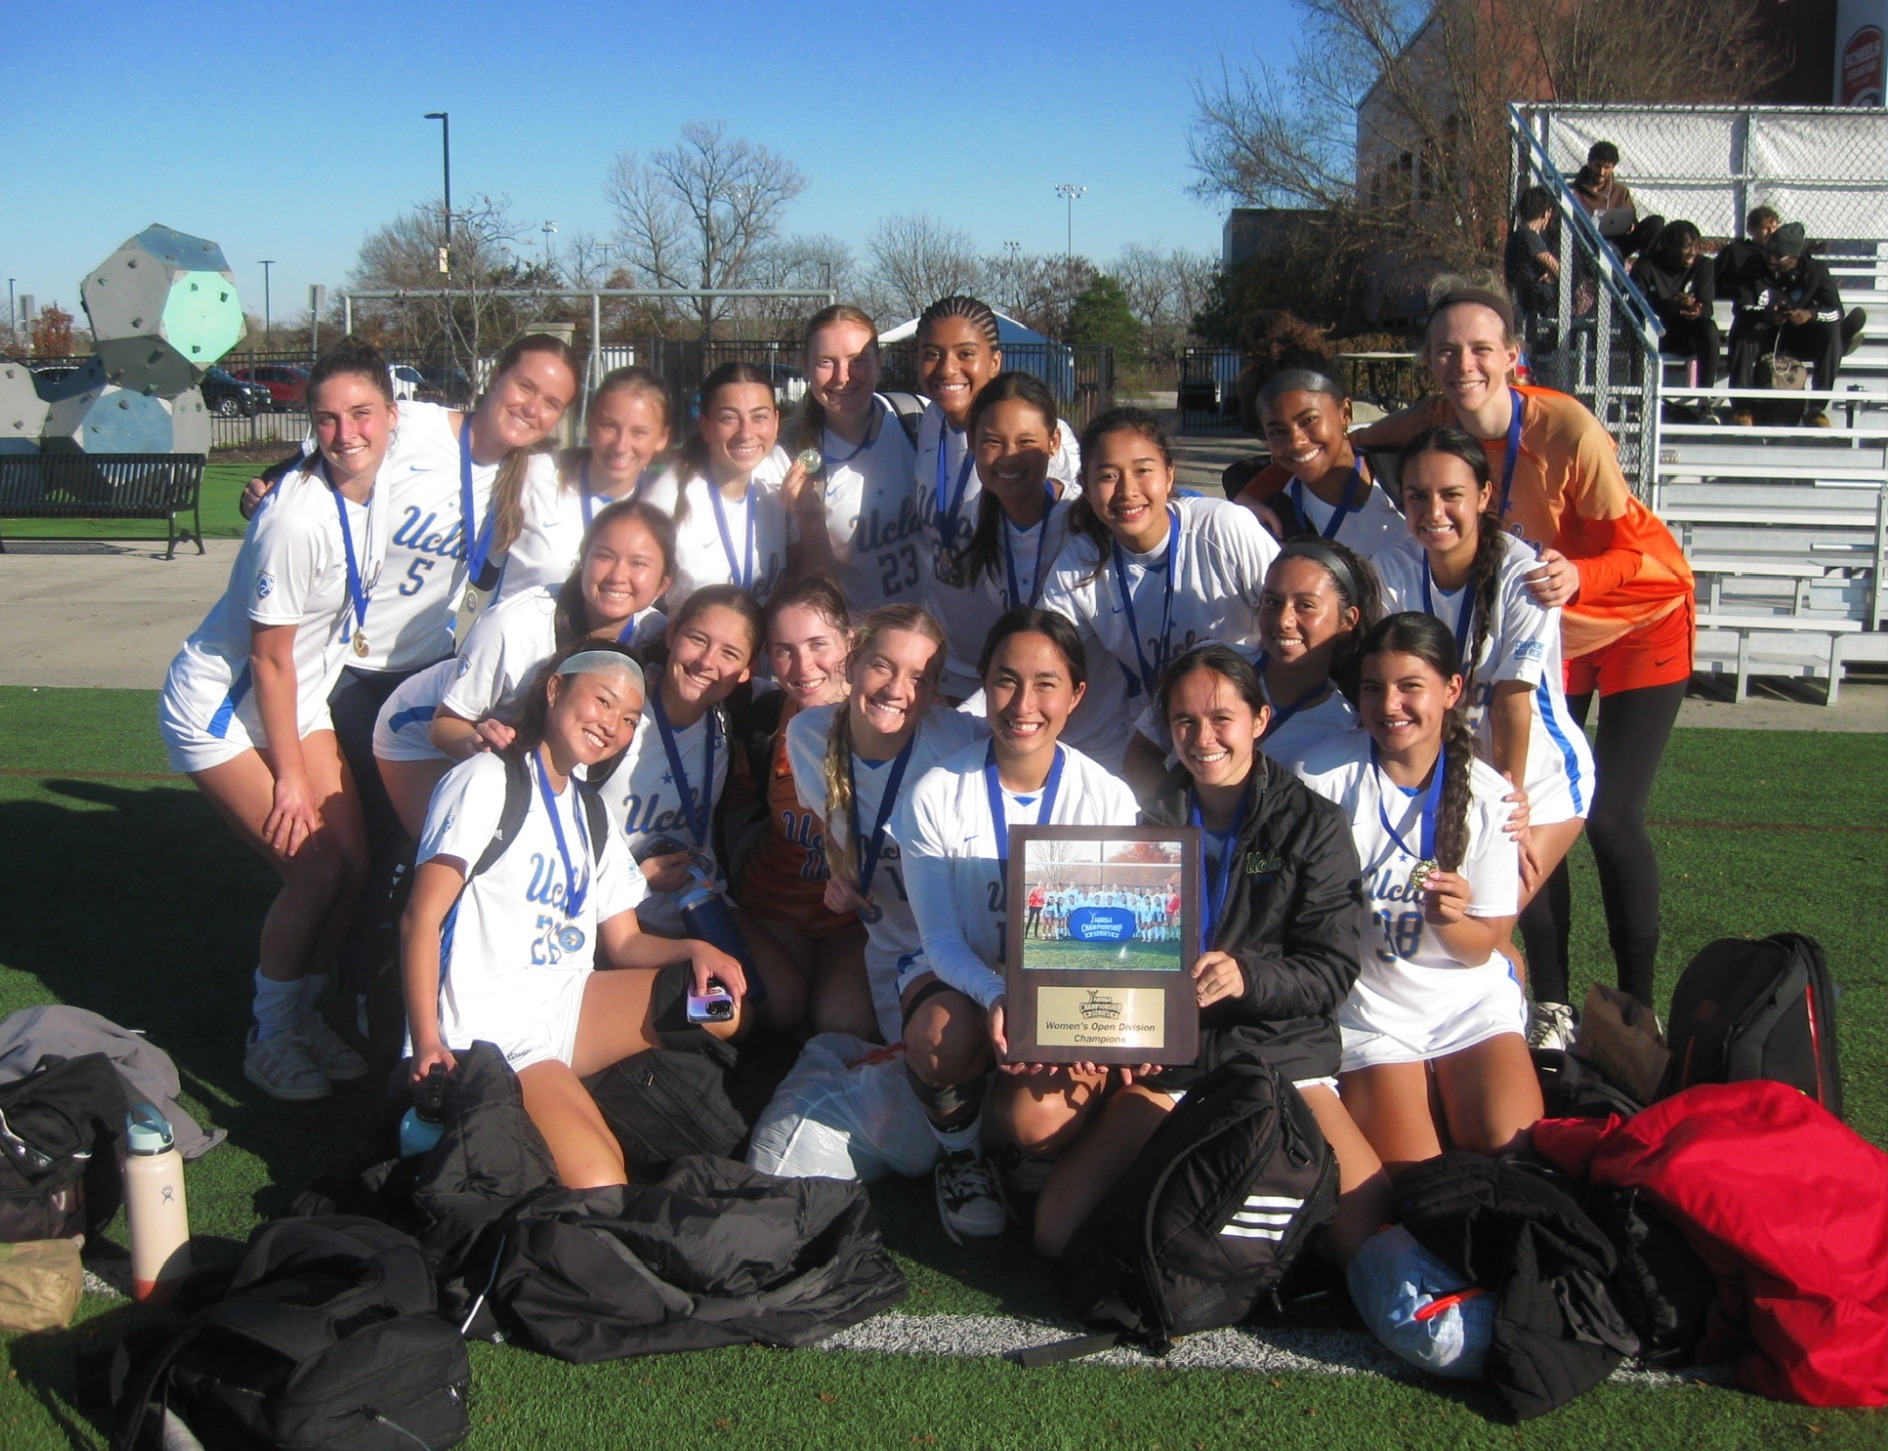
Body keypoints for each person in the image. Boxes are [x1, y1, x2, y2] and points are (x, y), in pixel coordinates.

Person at [1353, 284, 1694, 1031]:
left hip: (1629, 611)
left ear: (1515, 356)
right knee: (1520, 839)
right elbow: (1359, 440)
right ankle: (1555, 1004)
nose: (1461, 363)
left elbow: (1646, 551)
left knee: (1604, 817)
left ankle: (1639, 1004)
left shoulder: (1568, 427)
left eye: (1481, 349)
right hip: (1544, 626)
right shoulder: (1439, 425)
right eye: (1445, 350)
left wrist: (1582, 575)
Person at [1014, 644, 1388, 1264]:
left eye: (1221, 719)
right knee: (1057, 1230)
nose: (1202, 737)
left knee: (1364, 1235)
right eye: (1184, 721)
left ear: (1259, 721)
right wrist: (1110, 1034)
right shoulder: (1143, 825)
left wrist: (1247, 977)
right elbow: (1109, 954)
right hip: (1176, 1060)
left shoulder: (1311, 824)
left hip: (1279, 1054)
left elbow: (1332, 971)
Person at [400, 642, 746, 1188]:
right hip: (494, 1032)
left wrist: (695, 949)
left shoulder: (590, 809)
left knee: (720, 1006)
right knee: (601, 1182)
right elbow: (420, 919)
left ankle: (575, 1099)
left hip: (565, 1004)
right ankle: (545, 1108)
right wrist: (426, 1041)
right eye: (603, 702)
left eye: (630, 718)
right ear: (555, 688)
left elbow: (625, 943)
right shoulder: (487, 780)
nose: (612, 725)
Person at [157, 341, 397, 1101]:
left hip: (298, 696)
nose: (346, 432)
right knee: (317, 867)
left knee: (355, 865)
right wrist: (291, 780)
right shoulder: (294, 519)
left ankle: (303, 1013)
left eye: (361, 413)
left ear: (393, 415)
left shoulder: (377, 473)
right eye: (325, 419)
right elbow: (266, 661)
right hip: (225, 709)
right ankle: (270, 1033)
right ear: (311, 425)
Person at [892, 609, 1137, 1240]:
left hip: (1065, 987)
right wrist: (1003, 996)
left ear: (1077, 695)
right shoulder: (935, 793)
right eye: (1005, 680)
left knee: (1038, 1124)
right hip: (969, 982)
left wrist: (1086, 1025)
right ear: (984, 682)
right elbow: (940, 943)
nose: (1023, 703)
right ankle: (962, 1154)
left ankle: (1021, 1146)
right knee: (939, 1037)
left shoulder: (1108, 799)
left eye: (1046, 683)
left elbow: (1117, 943)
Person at [1296, 613, 1542, 1174]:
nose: (1389, 706)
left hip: (1466, 1003)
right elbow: (1262, 862)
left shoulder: (1491, 797)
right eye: (1373, 688)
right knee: (1420, 1177)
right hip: (1370, 1012)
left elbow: (1486, 946)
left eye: (1411, 687)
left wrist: (1450, 920)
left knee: (1512, 1152)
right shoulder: (1321, 777)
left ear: (1452, 690)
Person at [1374, 428, 1592, 912]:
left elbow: (1513, 703)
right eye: (1417, 496)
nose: (1433, 512)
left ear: (1484, 495)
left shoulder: (1525, 574)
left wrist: (1506, 805)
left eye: (1452, 495)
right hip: (1454, 774)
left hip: (1533, 779)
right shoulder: (1391, 568)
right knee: (1436, 923)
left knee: (1483, 928)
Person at [372, 500, 675, 836]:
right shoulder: (513, 625)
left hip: (519, 750)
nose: (618, 575)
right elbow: (445, 725)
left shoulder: (652, 634)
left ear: (663, 583)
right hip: (423, 730)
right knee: (462, 856)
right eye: (604, 555)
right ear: (582, 559)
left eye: (639, 563)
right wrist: (478, 743)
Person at [785, 601, 989, 1054]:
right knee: (844, 1030)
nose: (897, 689)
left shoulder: (958, 741)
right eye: (883, 666)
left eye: (918, 678)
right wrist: (840, 876)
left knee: (936, 1053)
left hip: (957, 949)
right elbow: (836, 824)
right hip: (884, 946)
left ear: (935, 689)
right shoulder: (806, 736)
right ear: (853, 660)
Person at [601, 585, 801, 1028]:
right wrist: (634, 876)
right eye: (698, 639)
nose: (708, 662)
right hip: (624, 914)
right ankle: (648, 1046)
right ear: (671, 635)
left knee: (787, 1003)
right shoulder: (617, 718)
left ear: (747, 670)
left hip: (703, 898)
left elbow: (810, 689)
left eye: (730, 653)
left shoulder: (734, 714)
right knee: (729, 1016)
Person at [1039, 407, 1280, 770]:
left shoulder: (1222, 527)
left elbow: (1292, 614)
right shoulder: (1083, 561)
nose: (1127, 491)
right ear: (1085, 488)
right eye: (1107, 475)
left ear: (1169, 475)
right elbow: (1039, 655)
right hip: (1160, 735)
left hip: (1251, 727)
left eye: (1142, 470)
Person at [722, 577, 874, 1039]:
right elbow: (730, 810)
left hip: (855, 918)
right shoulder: (765, 720)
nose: (803, 665)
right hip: (773, 904)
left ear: (850, 642)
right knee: (775, 1007)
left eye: (817, 644)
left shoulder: (886, 717)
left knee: (843, 1021)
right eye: (784, 649)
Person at [1122, 539, 1381, 794]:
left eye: (1305, 606)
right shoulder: (1211, 665)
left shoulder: (1345, 724)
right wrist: (1175, 822)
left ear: (1347, 620)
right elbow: (1141, 754)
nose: (1284, 620)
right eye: (1272, 602)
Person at [914, 296, 1081, 601]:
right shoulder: (929, 421)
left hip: (1004, 636)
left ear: (994, 362)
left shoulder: (1040, 445)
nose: (947, 368)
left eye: (965, 353)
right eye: (932, 354)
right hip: (944, 636)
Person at [928, 372, 1081, 701]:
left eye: (1026, 442)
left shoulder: (1083, 519)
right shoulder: (974, 516)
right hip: (1026, 712)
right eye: (993, 442)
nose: (1009, 456)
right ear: (971, 441)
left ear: (1053, 442)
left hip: (1095, 729)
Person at [493, 366, 673, 604]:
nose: (621, 445)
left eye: (639, 432)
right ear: (589, 424)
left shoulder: (664, 504)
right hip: (520, 638)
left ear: (662, 438)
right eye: (609, 426)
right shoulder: (534, 475)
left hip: (607, 642)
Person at [793, 305, 925, 614]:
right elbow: (800, 576)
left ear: (879, 363)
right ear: (806, 367)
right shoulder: (793, 454)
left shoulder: (916, 416)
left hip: (931, 631)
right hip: (859, 643)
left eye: (857, 361)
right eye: (826, 362)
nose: (843, 376)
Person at [1233, 361, 1406, 558]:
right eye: (1277, 431)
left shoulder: (1404, 475)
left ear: (1345, 413)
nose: (1296, 442)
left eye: (1308, 420)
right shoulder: (1274, 519)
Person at [664, 363, 796, 611]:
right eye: (729, 418)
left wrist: (811, 516)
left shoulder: (777, 470)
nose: (746, 433)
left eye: (759, 417)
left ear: (776, 422)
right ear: (705, 426)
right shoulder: (670, 497)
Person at [1726, 221, 1847, 423]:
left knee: (1832, 333)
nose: (1770, 260)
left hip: (1800, 335)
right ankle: (1742, 408)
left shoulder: (1815, 271)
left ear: (1794, 257)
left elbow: (1836, 311)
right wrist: (1766, 313)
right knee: (1741, 328)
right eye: (1768, 254)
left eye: (1777, 257)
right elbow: (1740, 306)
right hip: (1764, 333)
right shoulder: (1754, 266)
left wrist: (1809, 314)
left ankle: (1816, 408)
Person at [1631, 221, 1722, 391]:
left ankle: (1705, 398)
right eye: (1687, 247)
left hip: (1688, 333)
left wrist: (1696, 310)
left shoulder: (1703, 265)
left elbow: (1706, 305)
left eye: (1697, 246)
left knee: (1709, 329)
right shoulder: (1646, 265)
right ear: (1668, 246)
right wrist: (1671, 304)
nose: (1693, 252)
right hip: (1658, 333)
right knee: (1639, 329)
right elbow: (1637, 305)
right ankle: (1640, 395)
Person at [1569, 140, 1660, 259]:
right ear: (1590, 163)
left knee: (1656, 222)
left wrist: (1631, 226)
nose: (1602, 172)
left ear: (1613, 167)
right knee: (1609, 249)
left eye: (1607, 167)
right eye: (1598, 166)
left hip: (1617, 241)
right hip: (1585, 242)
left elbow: (1632, 220)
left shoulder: (1620, 191)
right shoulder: (1572, 191)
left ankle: (1644, 269)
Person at [1504, 185, 1561, 337]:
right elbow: (1557, 268)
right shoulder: (1529, 236)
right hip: (1531, 298)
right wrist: (1553, 274)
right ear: (1545, 212)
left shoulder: (1520, 235)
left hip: (1525, 298)